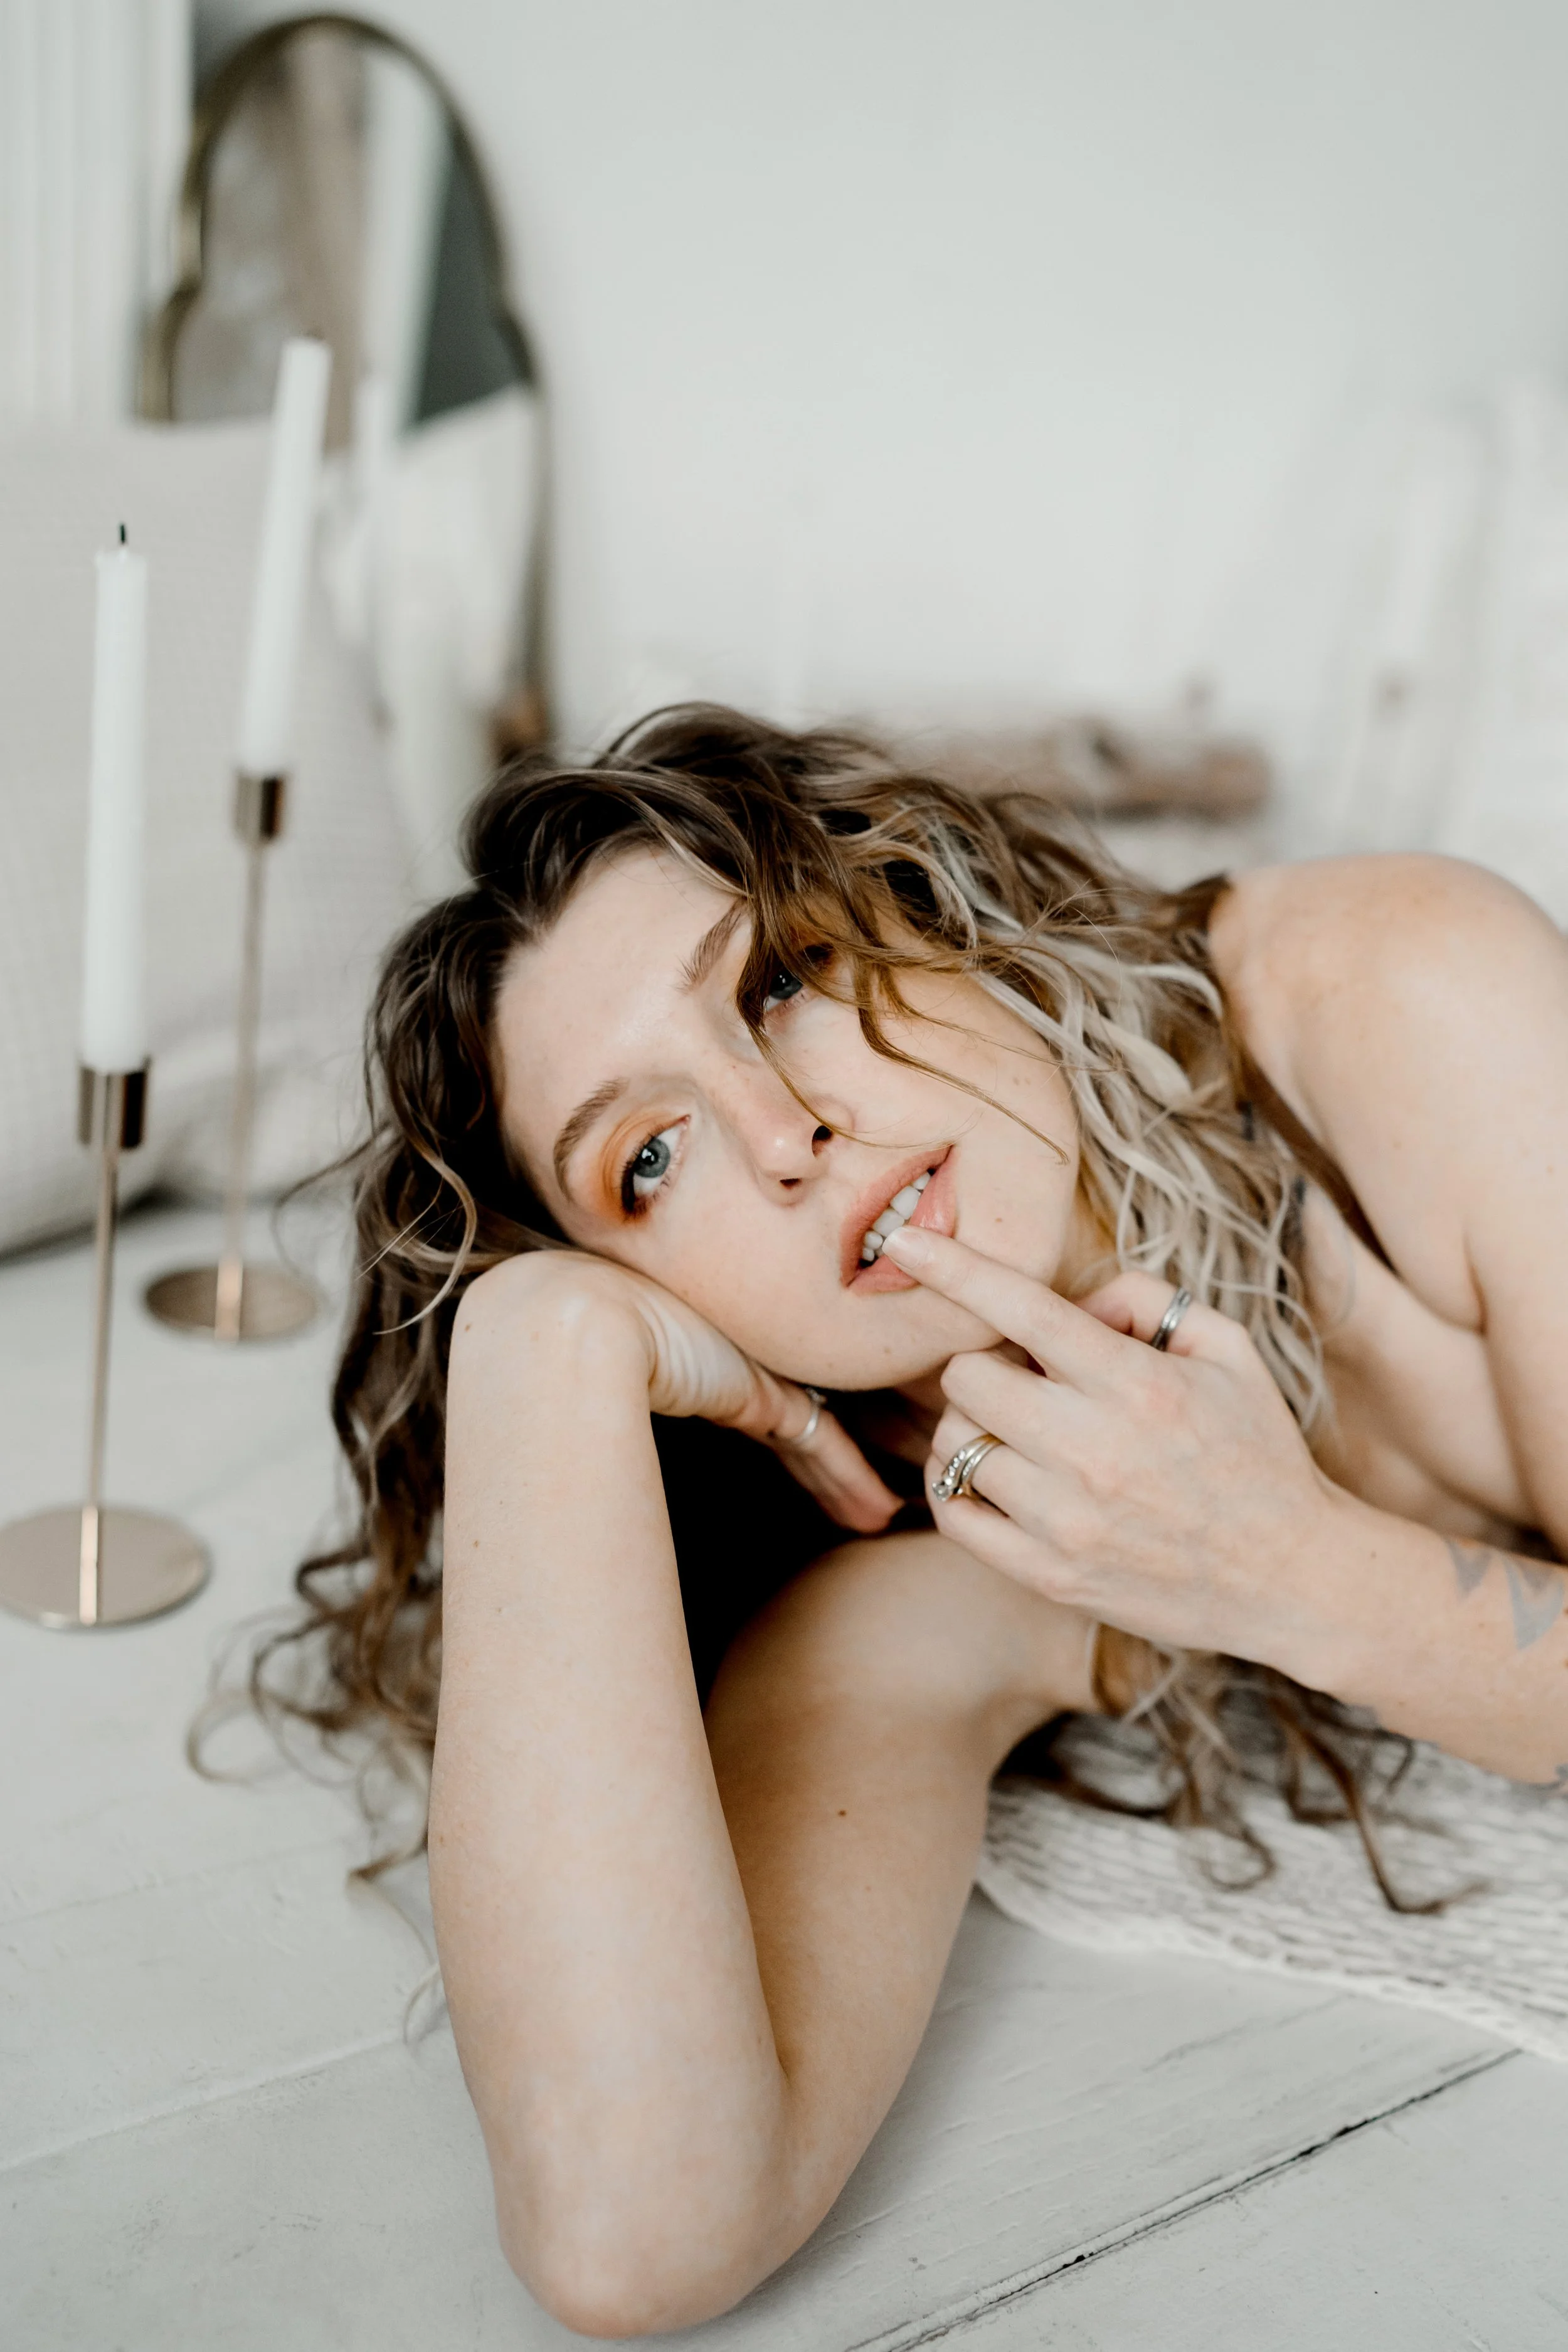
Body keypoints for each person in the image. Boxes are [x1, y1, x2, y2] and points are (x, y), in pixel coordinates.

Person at [272, 706, 1568, 2335]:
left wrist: (1281, 1565)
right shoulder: (940, 1544)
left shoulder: (1392, 997)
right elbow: (632, 2227)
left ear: (928, 904)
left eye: (782, 981)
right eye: (650, 1160)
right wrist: (540, 1355)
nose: (779, 1136)